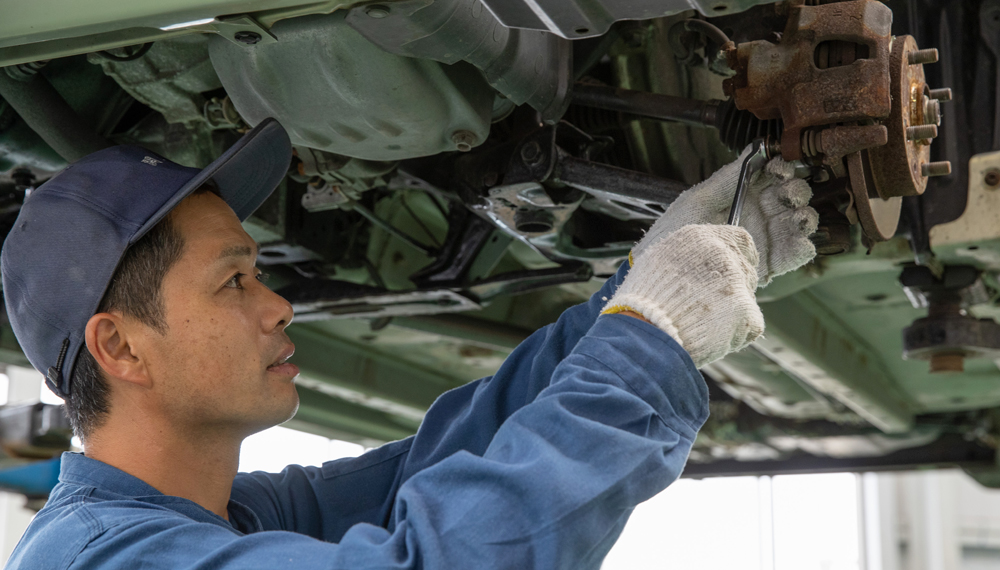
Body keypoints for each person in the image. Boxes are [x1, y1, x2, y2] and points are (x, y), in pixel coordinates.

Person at [1, 118, 817, 569]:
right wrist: (652, 339)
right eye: (234, 282)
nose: (280, 305)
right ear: (123, 349)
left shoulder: (226, 517)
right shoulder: (103, 563)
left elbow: (441, 464)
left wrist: (641, 286)